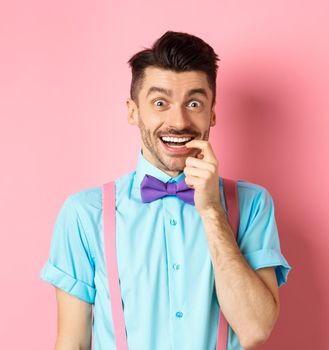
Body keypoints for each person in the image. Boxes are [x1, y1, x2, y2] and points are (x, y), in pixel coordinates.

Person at [40, 30, 292, 350]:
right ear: (133, 111)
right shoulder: (85, 213)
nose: (179, 120)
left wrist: (212, 211)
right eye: (160, 102)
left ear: (212, 112)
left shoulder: (253, 204)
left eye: (194, 103)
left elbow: (255, 329)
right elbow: (72, 343)